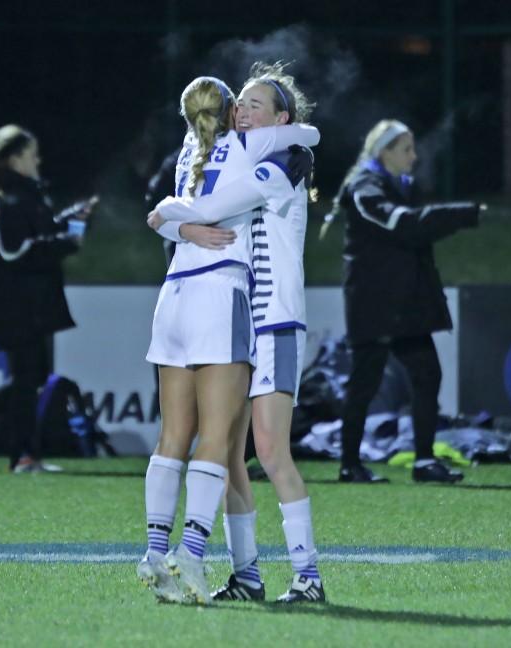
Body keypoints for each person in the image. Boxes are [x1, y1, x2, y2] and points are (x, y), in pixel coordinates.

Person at [137, 76, 319, 606]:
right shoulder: (232, 149)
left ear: (281, 118)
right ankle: (247, 575)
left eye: (257, 106)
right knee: (233, 456)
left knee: (269, 449)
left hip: (275, 319)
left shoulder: (285, 160)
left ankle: (308, 575)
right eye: (242, 104)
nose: (244, 113)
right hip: (239, 318)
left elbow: (221, 203)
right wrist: (176, 225)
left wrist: (173, 221)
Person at [331, 119, 481, 484]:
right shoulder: (365, 187)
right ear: (384, 153)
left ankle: (424, 461)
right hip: (375, 303)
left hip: (400, 305)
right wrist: (463, 214)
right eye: (406, 149)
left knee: (427, 375)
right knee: (364, 384)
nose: (414, 157)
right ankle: (350, 465)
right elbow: (405, 226)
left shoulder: (397, 186)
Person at [0, 124, 92, 473]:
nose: (38, 159)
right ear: (14, 160)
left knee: (32, 378)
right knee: (28, 377)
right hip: (16, 305)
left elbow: (37, 236)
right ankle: (20, 455)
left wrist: (69, 222)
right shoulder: (2, 200)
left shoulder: (28, 195)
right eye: (31, 153)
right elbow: (14, 252)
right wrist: (65, 242)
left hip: (35, 303)